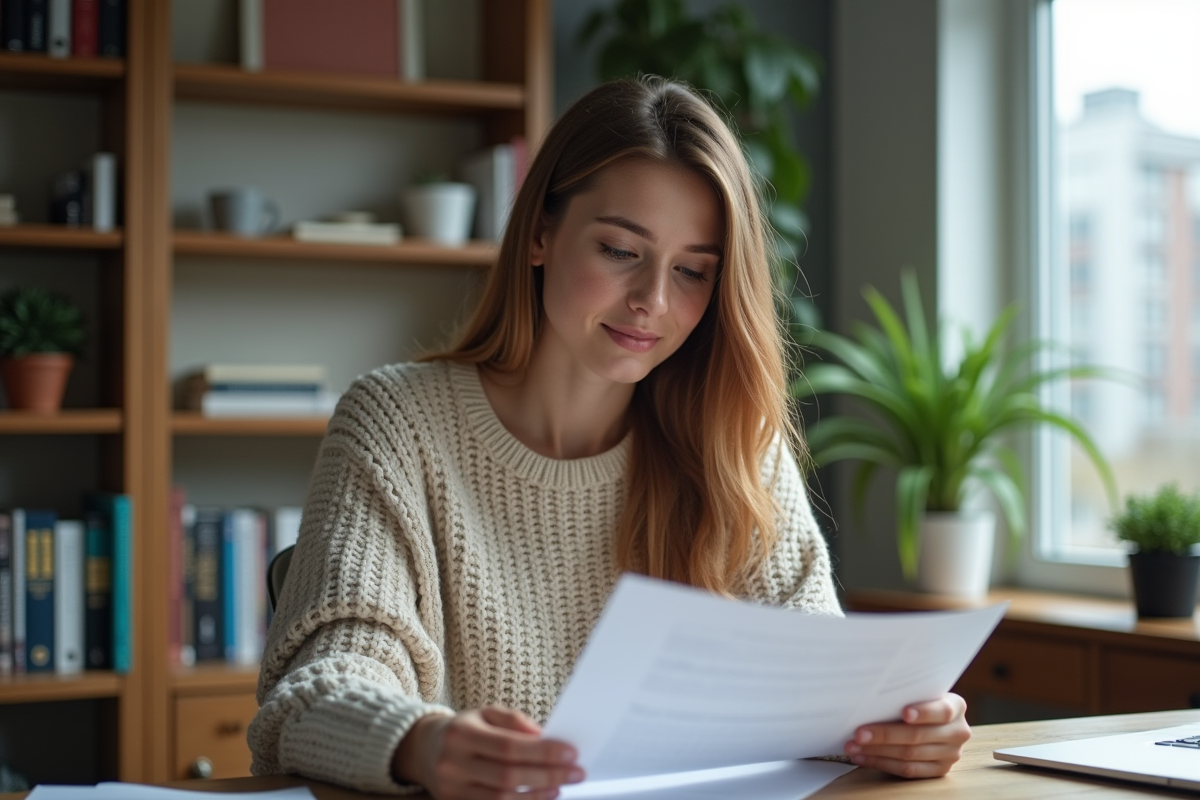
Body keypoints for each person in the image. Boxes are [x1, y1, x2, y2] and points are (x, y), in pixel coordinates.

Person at [247, 76, 971, 799]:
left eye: (692, 271)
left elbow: (822, 680)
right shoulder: (397, 423)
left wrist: (900, 725)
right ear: (540, 234)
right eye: (621, 251)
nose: (653, 301)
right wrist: (424, 743)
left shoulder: (730, 436)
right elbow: (321, 684)